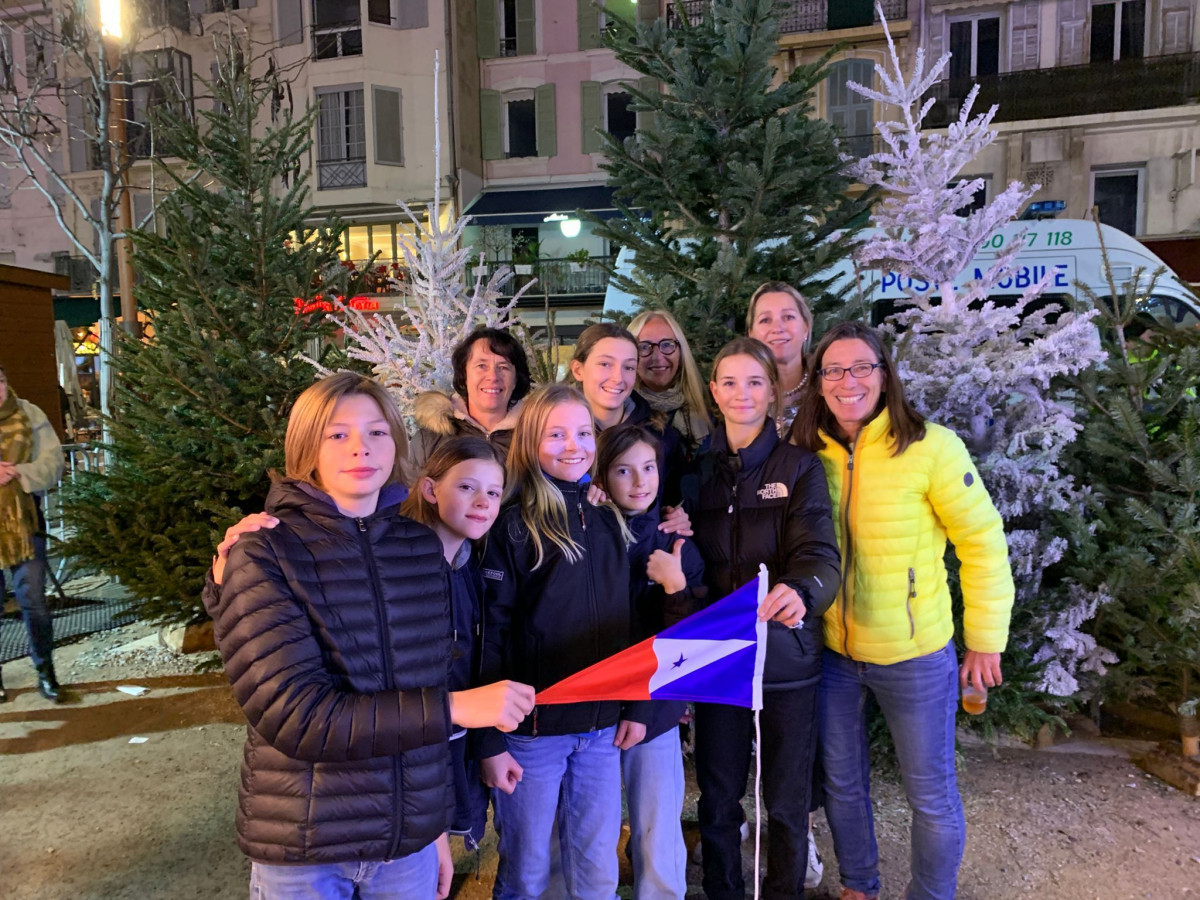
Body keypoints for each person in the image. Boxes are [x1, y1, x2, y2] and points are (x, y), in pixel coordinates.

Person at [203, 372, 535, 899]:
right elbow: (295, 715)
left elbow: (423, 687)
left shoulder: (418, 549)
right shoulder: (265, 550)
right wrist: (456, 708)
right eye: (338, 434)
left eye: (377, 432)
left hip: (405, 843)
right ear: (307, 446)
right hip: (309, 841)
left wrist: (432, 828)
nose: (360, 447)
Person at [790, 322, 1015, 900]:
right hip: (834, 654)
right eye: (833, 370)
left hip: (915, 656)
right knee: (843, 786)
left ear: (884, 374)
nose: (848, 381)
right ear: (818, 382)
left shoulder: (932, 447)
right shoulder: (807, 452)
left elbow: (982, 542)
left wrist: (985, 639)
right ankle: (859, 886)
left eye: (861, 367)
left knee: (930, 795)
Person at [682, 337, 841, 900]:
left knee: (787, 802)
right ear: (714, 391)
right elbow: (677, 552)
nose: (742, 394)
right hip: (719, 659)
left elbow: (820, 553)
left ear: (773, 390)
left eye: (754, 382)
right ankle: (722, 889)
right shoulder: (694, 471)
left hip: (785, 661)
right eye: (729, 382)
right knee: (718, 797)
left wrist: (803, 589)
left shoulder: (800, 468)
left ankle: (784, 891)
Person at [476, 383, 649, 900]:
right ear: (530, 442)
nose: (573, 446)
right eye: (556, 434)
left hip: (600, 729)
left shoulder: (609, 517)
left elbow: (629, 621)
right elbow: (490, 634)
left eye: (582, 433)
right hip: (532, 732)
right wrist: (488, 740)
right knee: (527, 871)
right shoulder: (513, 526)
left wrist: (635, 703)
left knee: (598, 869)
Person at [595, 423, 708, 900]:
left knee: (657, 822)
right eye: (624, 471)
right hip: (594, 705)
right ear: (602, 476)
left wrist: (674, 585)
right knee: (591, 825)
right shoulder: (586, 532)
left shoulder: (675, 544)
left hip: (656, 706)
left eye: (648, 468)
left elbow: (690, 638)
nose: (640, 482)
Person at [400, 436, 508, 850]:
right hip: (414, 751)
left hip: (455, 739)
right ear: (431, 490)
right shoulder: (405, 567)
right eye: (466, 487)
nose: (482, 502)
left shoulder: (468, 567)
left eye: (493, 493)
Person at [0, 364, 65, 703]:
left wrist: (17, 472)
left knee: (35, 602)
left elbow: (53, 463)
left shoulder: (30, 414)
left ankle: (45, 671)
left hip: (26, 524)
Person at [569, 322, 686, 500]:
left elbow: (673, 498)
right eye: (605, 364)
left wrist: (674, 512)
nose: (618, 378)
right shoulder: (556, 435)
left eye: (628, 367)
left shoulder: (659, 436)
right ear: (578, 370)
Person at [410, 327, 533, 468]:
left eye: (503, 367)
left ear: (516, 379)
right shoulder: (428, 441)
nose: (493, 377)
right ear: (465, 375)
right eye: (482, 366)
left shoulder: (536, 438)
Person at [628, 309, 712, 456]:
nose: (657, 357)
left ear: (681, 351)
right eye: (644, 347)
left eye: (667, 344)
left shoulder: (708, 407)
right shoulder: (622, 412)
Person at [746, 282, 813, 435]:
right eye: (765, 320)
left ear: (805, 328)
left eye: (788, 317)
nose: (777, 328)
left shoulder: (829, 384)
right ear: (751, 334)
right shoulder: (740, 392)